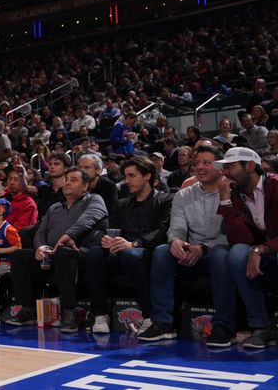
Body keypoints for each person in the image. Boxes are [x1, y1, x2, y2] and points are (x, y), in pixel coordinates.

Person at [138, 145, 236, 346]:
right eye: (197, 163)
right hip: (189, 251)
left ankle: (224, 326)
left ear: (219, 167)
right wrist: (176, 241)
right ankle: (162, 323)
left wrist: (204, 248)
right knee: (162, 252)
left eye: (206, 163)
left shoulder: (231, 192)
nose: (200, 167)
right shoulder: (183, 195)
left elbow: (233, 235)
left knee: (220, 254)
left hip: (217, 252)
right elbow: (177, 227)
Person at [6, 167, 108, 331]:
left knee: (63, 252)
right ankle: (29, 309)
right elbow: (40, 232)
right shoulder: (55, 207)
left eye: (73, 180)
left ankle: (69, 312)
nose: (67, 182)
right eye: (66, 179)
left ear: (85, 186)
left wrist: (69, 234)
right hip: (50, 256)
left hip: (77, 255)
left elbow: (90, 217)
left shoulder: (93, 200)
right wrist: (40, 247)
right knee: (19, 255)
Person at [85, 157, 172, 334]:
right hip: (122, 248)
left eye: (132, 176)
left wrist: (134, 244)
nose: (127, 181)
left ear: (147, 176)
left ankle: (148, 316)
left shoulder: (165, 200)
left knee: (130, 254)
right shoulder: (122, 204)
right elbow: (111, 228)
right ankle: (100, 314)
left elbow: (161, 231)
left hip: (148, 250)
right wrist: (107, 239)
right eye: (126, 176)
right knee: (94, 253)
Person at [214, 147, 278, 348]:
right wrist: (225, 199)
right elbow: (239, 239)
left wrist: (261, 249)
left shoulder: (276, 186)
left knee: (243, 252)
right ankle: (249, 326)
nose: (225, 173)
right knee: (228, 253)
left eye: (231, 166)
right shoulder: (236, 194)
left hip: (271, 250)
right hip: (263, 251)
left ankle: (266, 326)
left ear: (250, 166)